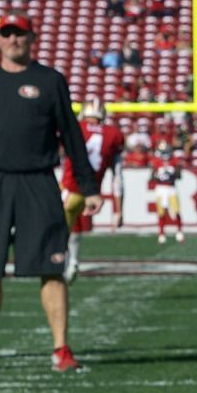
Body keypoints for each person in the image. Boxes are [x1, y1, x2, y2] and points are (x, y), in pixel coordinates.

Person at [0, 13, 98, 372]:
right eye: (7, 34)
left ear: (31, 37)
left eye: (19, 34)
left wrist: (88, 187)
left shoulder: (51, 81)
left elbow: (72, 138)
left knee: (52, 268)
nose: (13, 40)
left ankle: (61, 348)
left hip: (38, 182)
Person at [61, 99, 123, 276]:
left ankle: (62, 265)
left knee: (56, 231)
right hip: (91, 193)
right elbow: (118, 177)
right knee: (75, 227)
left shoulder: (76, 127)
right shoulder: (113, 134)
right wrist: (118, 210)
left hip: (70, 187)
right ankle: (73, 262)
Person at [150, 147, 185, 244]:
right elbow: (151, 177)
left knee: (176, 210)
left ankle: (179, 232)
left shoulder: (174, 161)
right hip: (160, 189)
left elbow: (179, 176)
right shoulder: (157, 162)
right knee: (161, 212)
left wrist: (175, 170)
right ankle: (161, 234)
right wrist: (157, 174)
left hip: (171, 188)